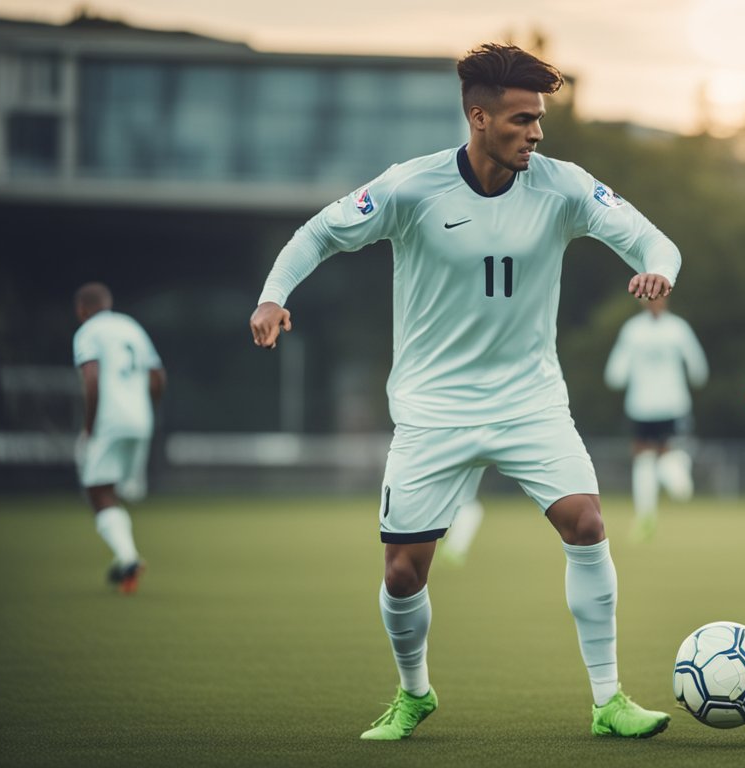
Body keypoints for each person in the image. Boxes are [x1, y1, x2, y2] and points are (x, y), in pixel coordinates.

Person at [249, 43, 674, 742]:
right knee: (402, 571)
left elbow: (656, 241)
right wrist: (272, 298)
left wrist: (657, 271)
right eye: (520, 120)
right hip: (433, 409)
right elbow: (318, 233)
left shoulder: (563, 186)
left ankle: (609, 700)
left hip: (530, 401)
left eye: (539, 119)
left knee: (588, 525)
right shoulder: (411, 189)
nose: (535, 132)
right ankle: (414, 694)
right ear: (478, 117)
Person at [72, 282, 165, 594]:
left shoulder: (88, 332)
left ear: (82, 310)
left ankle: (128, 557)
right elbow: (157, 377)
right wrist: (146, 410)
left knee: (98, 491)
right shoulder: (131, 327)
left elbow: (92, 378)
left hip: (110, 421)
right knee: (118, 490)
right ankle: (127, 559)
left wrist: (89, 426)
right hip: (140, 419)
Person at [604, 294, 708, 539]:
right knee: (647, 457)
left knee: (653, 456)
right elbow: (698, 369)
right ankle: (648, 514)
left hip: (662, 404)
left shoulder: (650, 329)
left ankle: (671, 483)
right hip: (651, 405)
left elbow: (615, 375)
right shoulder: (660, 328)